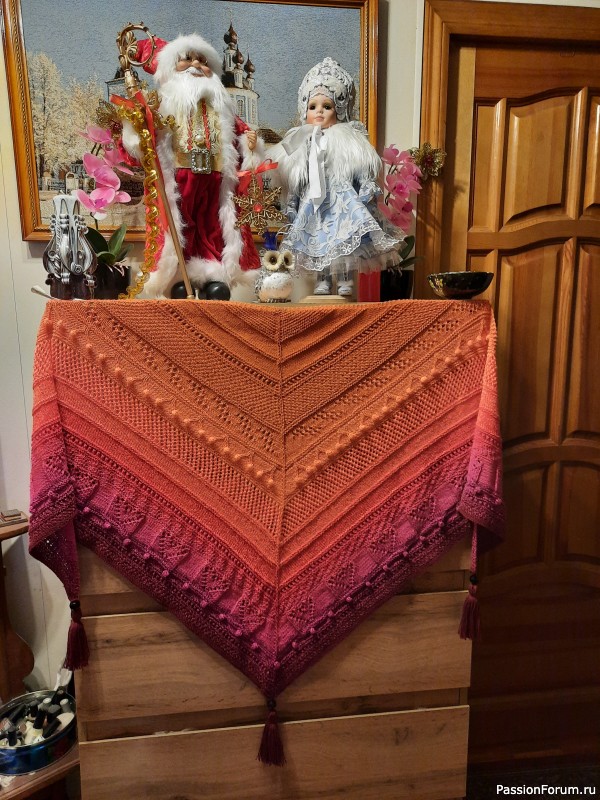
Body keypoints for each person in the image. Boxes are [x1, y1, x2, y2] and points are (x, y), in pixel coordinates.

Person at [122, 33, 264, 298]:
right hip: (180, 178)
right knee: (180, 226)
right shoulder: (163, 103)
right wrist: (136, 128)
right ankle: (180, 276)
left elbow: (241, 132)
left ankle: (213, 275)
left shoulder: (222, 107)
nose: (196, 65)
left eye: (202, 60)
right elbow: (140, 145)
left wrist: (249, 143)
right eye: (187, 59)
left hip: (215, 179)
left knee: (213, 227)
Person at [271, 57, 401, 297]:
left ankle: (344, 279)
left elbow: (361, 164)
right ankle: (322, 280)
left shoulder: (347, 138)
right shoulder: (300, 140)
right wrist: (294, 199)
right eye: (313, 106)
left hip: (342, 201)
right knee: (319, 240)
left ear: (339, 110)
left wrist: (365, 186)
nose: (319, 111)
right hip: (314, 203)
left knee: (344, 240)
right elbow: (296, 175)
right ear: (305, 110)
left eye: (327, 106)